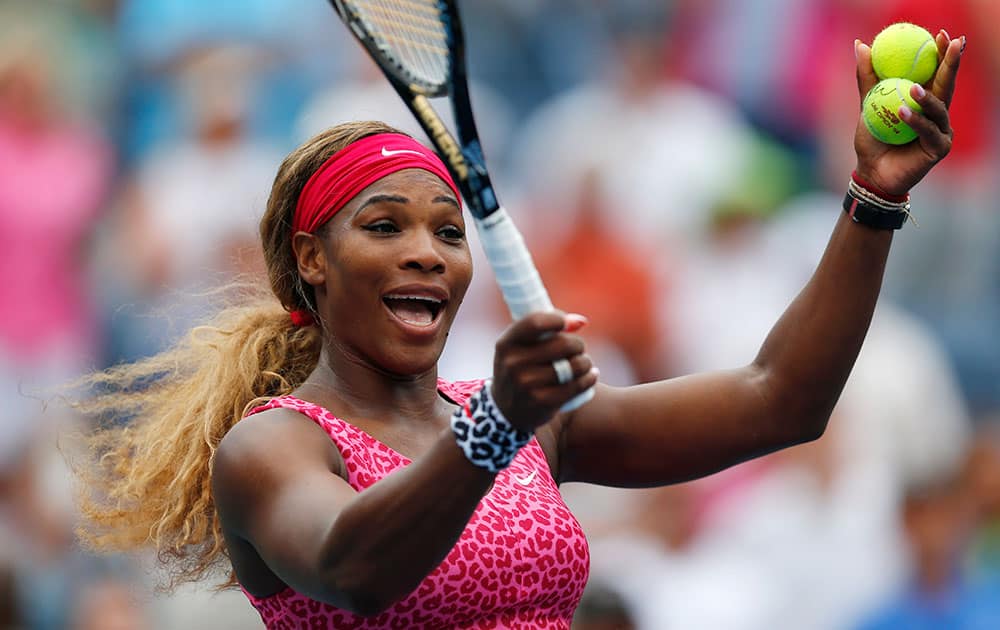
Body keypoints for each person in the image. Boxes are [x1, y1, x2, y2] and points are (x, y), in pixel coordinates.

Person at [73, 33, 965, 628]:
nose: (426, 253)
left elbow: (780, 401)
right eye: (385, 228)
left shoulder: (531, 425)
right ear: (312, 258)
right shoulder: (272, 451)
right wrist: (492, 426)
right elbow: (354, 568)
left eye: (448, 231)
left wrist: (875, 195)